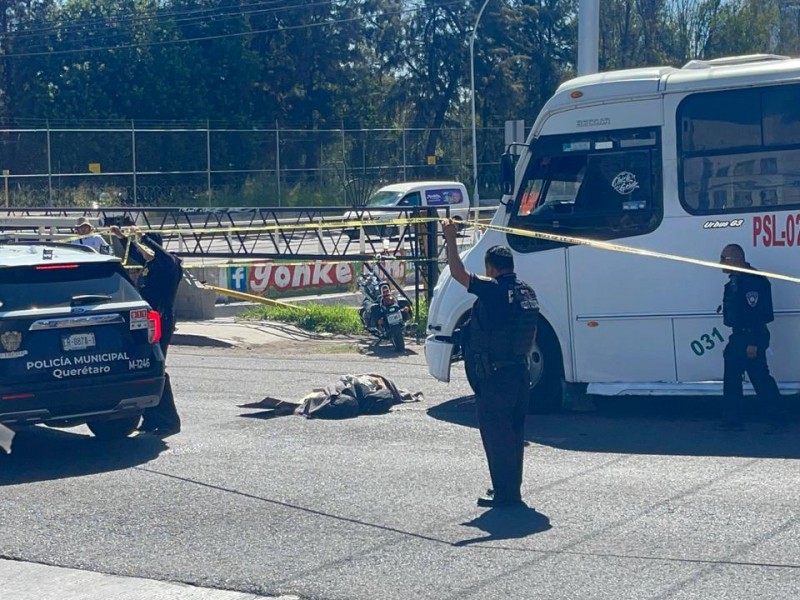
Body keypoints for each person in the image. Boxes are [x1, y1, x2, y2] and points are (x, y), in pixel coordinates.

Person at [442, 220, 539, 508]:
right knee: (513, 434)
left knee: (497, 438)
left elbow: (458, 273)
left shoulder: (494, 289)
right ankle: (511, 491)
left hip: (496, 378)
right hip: (520, 373)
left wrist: (449, 238)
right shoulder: (526, 291)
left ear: (492, 268)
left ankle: (504, 495)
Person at [111, 225, 183, 436]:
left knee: (158, 370)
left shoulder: (170, 265)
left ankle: (169, 420)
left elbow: (164, 256)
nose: (142, 252)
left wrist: (143, 237)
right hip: (147, 321)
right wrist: (122, 238)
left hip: (162, 320)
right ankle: (151, 418)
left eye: (146, 247)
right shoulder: (152, 264)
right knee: (145, 368)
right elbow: (135, 253)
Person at [718, 243, 784, 429]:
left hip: (751, 336)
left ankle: (777, 419)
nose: (720, 262)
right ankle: (732, 420)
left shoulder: (753, 282)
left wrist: (753, 342)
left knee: (760, 378)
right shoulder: (736, 279)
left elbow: (757, 313)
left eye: (724, 258)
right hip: (738, 335)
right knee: (731, 378)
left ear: (736, 259)